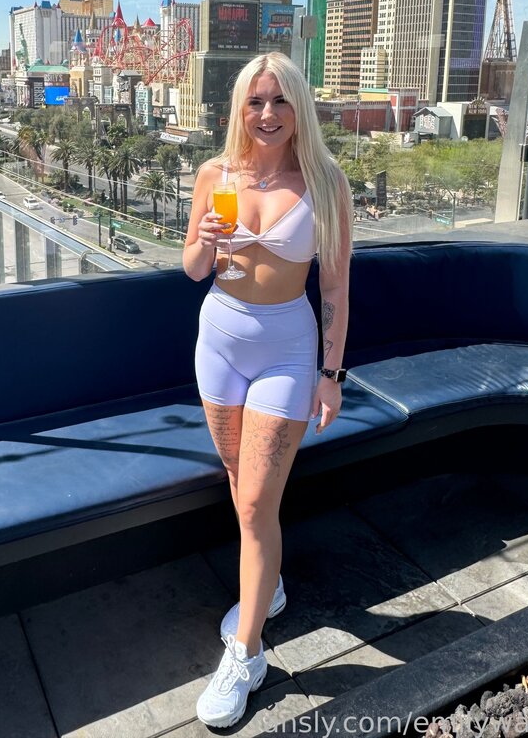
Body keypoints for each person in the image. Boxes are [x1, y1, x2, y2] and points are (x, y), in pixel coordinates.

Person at [183, 51, 353, 729]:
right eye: (255, 101)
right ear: (240, 108)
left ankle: (246, 652)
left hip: (286, 349)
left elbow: (334, 286)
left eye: (280, 100)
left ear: (299, 107)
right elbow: (193, 269)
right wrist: (203, 239)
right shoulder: (215, 174)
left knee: (256, 502)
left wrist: (330, 375)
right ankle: (268, 586)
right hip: (218, 342)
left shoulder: (325, 182)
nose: (268, 113)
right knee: (239, 482)